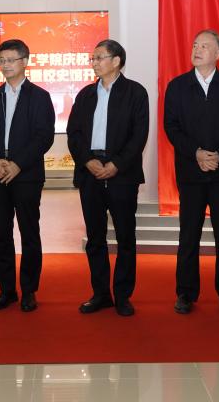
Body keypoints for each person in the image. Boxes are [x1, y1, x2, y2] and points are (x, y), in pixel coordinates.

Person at [163, 29, 219, 315]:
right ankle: (185, 293)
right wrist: (197, 153)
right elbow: (171, 127)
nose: (197, 50)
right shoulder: (177, 86)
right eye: (195, 45)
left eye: (204, 46)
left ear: (218, 54)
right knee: (189, 235)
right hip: (191, 172)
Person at [67, 39, 149, 317]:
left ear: (116, 61)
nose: (94, 63)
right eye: (93, 58)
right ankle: (101, 294)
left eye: (99, 57)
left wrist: (116, 164)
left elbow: (139, 136)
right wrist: (87, 160)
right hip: (90, 171)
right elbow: (74, 134)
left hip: (122, 174)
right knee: (95, 237)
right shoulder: (86, 95)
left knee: (125, 236)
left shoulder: (135, 93)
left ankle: (123, 296)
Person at [0, 39, 56, 312]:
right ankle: (6, 290)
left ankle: (29, 290)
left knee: (29, 233)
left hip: (27, 175)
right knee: (1, 234)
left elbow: (43, 136)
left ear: (25, 62)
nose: (5, 65)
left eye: (10, 60)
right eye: (2, 60)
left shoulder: (40, 97)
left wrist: (18, 164)